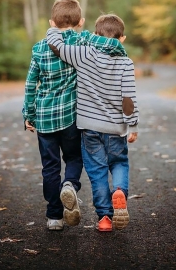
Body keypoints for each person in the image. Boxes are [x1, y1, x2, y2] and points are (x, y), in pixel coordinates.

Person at [22, 0, 125, 231]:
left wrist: (28, 114)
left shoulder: (39, 48)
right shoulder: (84, 40)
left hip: (45, 119)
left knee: (49, 167)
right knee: (74, 158)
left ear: (51, 22)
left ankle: (54, 217)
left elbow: (31, 85)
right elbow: (115, 46)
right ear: (81, 21)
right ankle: (69, 184)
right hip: (71, 117)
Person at [46, 13, 139, 232]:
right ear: (122, 38)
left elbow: (58, 48)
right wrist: (132, 126)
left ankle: (105, 218)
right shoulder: (126, 62)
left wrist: (53, 29)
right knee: (119, 163)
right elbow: (129, 100)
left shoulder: (84, 54)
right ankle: (119, 191)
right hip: (116, 129)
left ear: (96, 34)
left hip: (89, 128)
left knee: (96, 172)